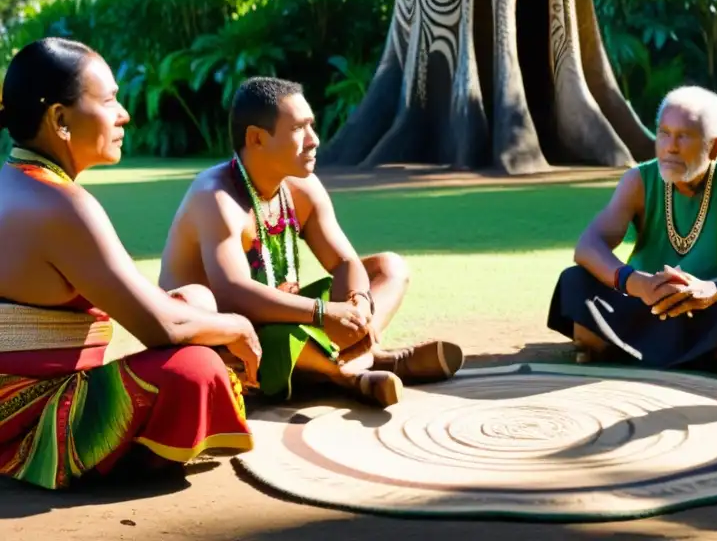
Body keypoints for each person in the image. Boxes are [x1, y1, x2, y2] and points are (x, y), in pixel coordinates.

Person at [0, 38, 261, 490]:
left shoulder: (19, 182)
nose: (123, 114)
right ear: (60, 120)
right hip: (24, 419)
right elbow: (162, 327)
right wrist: (239, 327)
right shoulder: (61, 205)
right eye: (108, 101)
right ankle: (121, 463)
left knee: (196, 300)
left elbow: (152, 306)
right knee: (193, 369)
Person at [159, 77, 463, 409]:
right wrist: (322, 313)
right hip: (229, 337)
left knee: (388, 268)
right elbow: (233, 291)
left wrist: (357, 305)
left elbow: (345, 263)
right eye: (299, 129)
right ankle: (356, 371)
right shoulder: (216, 198)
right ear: (257, 138)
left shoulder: (303, 188)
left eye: (312, 126)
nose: (313, 140)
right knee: (220, 311)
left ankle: (354, 352)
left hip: (287, 317)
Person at [548, 85, 717, 372]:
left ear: (715, 147)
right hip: (648, 306)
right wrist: (638, 283)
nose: (670, 146)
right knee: (575, 280)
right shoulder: (638, 180)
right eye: (663, 133)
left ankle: (619, 348)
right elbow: (588, 246)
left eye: (684, 136)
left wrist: (715, 288)